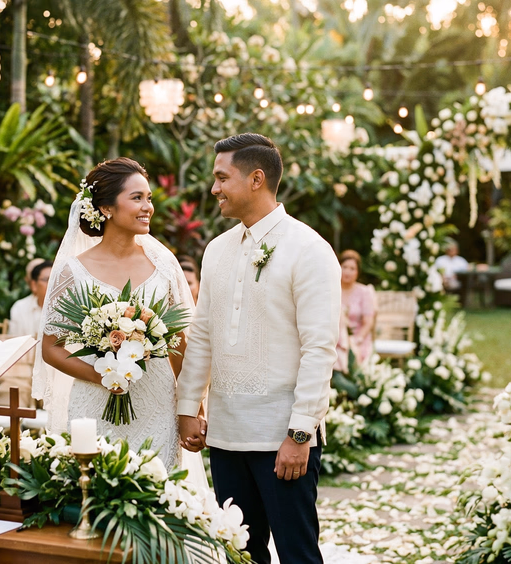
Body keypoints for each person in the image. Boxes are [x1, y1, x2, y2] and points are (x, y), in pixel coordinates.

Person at [176, 133, 340, 564]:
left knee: (297, 552)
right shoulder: (216, 250)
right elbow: (204, 332)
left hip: (282, 437)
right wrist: (188, 406)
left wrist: (300, 434)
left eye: (221, 177)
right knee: (239, 554)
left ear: (256, 179)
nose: (213, 189)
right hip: (226, 437)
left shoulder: (310, 249)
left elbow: (320, 348)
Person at [35, 157, 202, 476]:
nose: (147, 207)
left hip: (156, 402)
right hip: (95, 403)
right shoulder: (73, 271)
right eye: (137, 198)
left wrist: (190, 408)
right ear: (107, 208)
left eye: (149, 198)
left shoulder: (164, 266)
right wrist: (101, 375)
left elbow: (180, 341)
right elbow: (51, 348)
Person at [0, 259, 53, 407]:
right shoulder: (19, 308)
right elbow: (15, 347)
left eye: (56, 278)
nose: (53, 283)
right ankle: (11, 428)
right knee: (12, 388)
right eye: (47, 279)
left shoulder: (68, 309)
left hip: (55, 370)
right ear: (33, 285)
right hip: (24, 371)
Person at [339, 249, 375, 366]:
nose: (347, 272)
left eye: (352, 268)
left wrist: (356, 340)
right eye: (344, 267)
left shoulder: (364, 292)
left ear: (357, 272)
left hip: (358, 339)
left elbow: (368, 322)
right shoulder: (331, 290)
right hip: (336, 339)